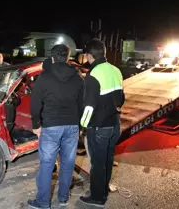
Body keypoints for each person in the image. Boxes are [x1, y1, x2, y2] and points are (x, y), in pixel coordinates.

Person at [28, 44, 84, 209]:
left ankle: (43, 202)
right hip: (72, 125)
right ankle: (63, 198)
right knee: (68, 163)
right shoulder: (77, 78)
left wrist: (36, 125)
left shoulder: (44, 77)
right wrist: (79, 124)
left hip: (51, 125)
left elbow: (35, 103)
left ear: (52, 58)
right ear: (68, 57)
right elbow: (82, 103)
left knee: (47, 164)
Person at [79, 39, 125, 207]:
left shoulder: (93, 74)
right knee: (107, 160)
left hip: (99, 127)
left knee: (98, 164)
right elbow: (121, 99)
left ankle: (98, 198)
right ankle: (103, 190)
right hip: (115, 125)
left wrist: (83, 126)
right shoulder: (116, 70)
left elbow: (89, 106)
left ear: (89, 56)